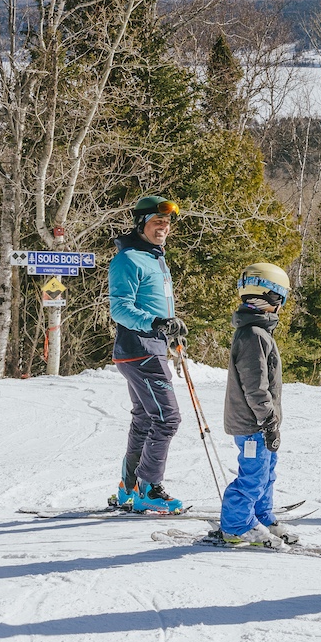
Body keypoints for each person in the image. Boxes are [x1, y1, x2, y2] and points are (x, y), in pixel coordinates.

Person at [107, 195, 188, 514]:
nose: (164, 228)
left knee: (145, 419)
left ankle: (128, 488)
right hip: (140, 349)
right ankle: (148, 490)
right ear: (142, 224)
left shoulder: (156, 258)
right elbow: (120, 308)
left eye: (167, 223)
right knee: (168, 418)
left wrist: (171, 330)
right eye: (158, 222)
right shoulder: (128, 259)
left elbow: (157, 306)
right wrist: (156, 323)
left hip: (150, 348)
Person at [217, 262, 297, 547]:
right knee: (252, 476)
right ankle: (236, 525)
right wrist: (268, 419)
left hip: (261, 423)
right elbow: (255, 386)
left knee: (266, 473)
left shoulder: (258, 332)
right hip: (254, 423)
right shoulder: (253, 335)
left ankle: (260, 516)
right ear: (273, 298)